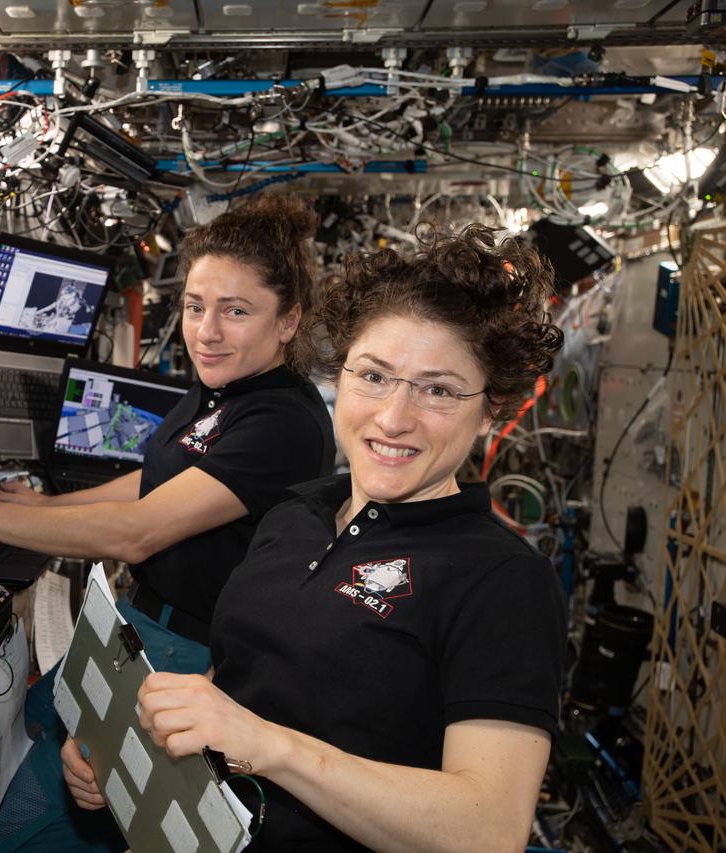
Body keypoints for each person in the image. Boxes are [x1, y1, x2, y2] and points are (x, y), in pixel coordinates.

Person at [63, 224, 568, 851]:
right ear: (340, 375)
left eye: (438, 390)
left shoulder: (501, 580)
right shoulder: (295, 515)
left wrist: (270, 748)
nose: (393, 417)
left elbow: (487, 830)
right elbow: (237, 679)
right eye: (375, 377)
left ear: (490, 408)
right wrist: (132, 739)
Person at [0, 193, 335, 851]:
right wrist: (33, 506)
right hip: (135, 627)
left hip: (185, 657)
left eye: (236, 311)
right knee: (9, 738)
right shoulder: (223, 390)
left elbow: (139, 530)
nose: (207, 330)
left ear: (288, 320)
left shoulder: (282, 423)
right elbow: (152, 481)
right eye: (195, 306)